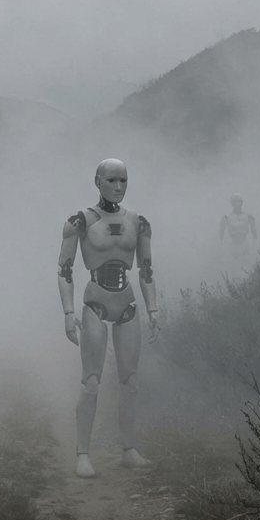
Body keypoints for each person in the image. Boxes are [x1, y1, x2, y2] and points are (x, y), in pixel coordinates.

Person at [57, 158, 161, 478]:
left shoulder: (138, 222)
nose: (118, 187)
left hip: (127, 302)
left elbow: (145, 271)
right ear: (98, 181)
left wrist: (153, 309)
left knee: (130, 381)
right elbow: (64, 270)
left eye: (123, 181)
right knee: (91, 381)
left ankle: (128, 448)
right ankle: (83, 453)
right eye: (112, 180)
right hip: (96, 302)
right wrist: (68, 312)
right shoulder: (80, 222)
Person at [219, 193, 257, 261]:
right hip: (232, 248)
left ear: (241, 203)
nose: (237, 204)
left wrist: (253, 250)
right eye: (235, 201)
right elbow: (221, 237)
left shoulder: (249, 217)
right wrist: (223, 252)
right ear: (232, 203)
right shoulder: (226, 218)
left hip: (245, 247)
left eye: (238, 201)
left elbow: (254, 236)